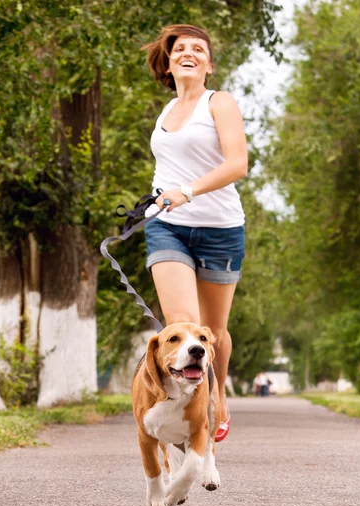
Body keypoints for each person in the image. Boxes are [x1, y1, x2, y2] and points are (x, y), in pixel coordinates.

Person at [142, 24, 248, 442]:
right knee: (184, 324)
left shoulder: (218, 103)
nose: (188, 53)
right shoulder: (165, 112)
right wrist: (156, 199)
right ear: (168, 64)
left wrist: (186, 191)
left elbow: (237, 164)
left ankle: (217, 396)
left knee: (213, 334)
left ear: (208, 64)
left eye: (197, 49)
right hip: (168, 228)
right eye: (179, 49)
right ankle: (193, 414)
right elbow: (166, 167)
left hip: (221, 230)